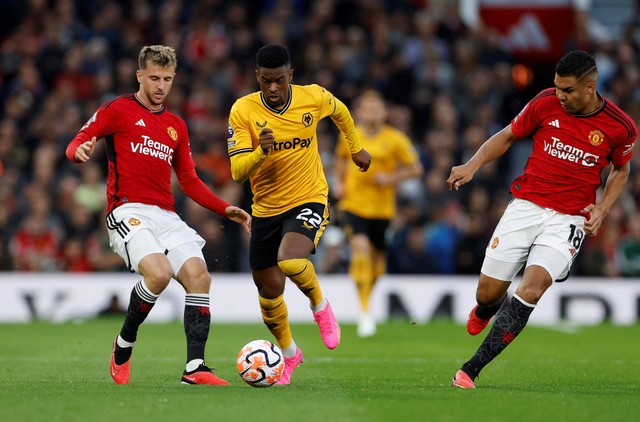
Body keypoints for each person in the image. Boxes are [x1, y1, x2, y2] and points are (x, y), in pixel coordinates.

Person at [447, 50, 636, 389]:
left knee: (531, 289)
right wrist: (471, 165)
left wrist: (603, 208)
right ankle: (486, 308)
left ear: (590, 87)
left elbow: (621, 170)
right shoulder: (545, 102)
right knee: (487, 294)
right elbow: (506, 136)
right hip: (525, 206)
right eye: (557, 88)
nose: (560, 96)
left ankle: (471, 369)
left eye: (568, 90)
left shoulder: (620, 127)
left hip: (568, 220)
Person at [65, 45, 251, 386]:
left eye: (167, 79)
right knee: (160, 274)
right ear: (139, 76)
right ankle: (123, 344)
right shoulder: (117, 109)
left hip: (165, 214)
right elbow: (77, 142)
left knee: (199, 276)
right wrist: (79, 152)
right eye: (153, 78)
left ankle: (195, 368)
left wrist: (225, 209)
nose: (160, 85)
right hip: (127, 209)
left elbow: (190, 179)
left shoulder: (176, 125)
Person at [227, 44, 371, 385]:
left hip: (309, 198)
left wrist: (355, 147)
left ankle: (320, 306)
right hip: (265, 209)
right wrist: (261, 152)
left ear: (290, 76)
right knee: (268, 292)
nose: (273, 88)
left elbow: (340, 111)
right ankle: (290, 356)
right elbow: (237, 172)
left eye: (279, 80)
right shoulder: (242, 111)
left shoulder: (313, 97)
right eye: (266, 81)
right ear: (257, 77)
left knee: (291, 260)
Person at [332, 89, 423, 337]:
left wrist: (392, 177)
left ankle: (366, 303)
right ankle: (365, 312)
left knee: (377, 264)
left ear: (384, 112)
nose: (371, 112)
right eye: (367, 108)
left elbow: (416, 168)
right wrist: (339, 182)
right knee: (359, 249)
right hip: (353, 204)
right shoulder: (350, 136)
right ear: (359, 112)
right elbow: (341, 160)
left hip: (383, 210)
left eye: (376, 108)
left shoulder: (396, 139)